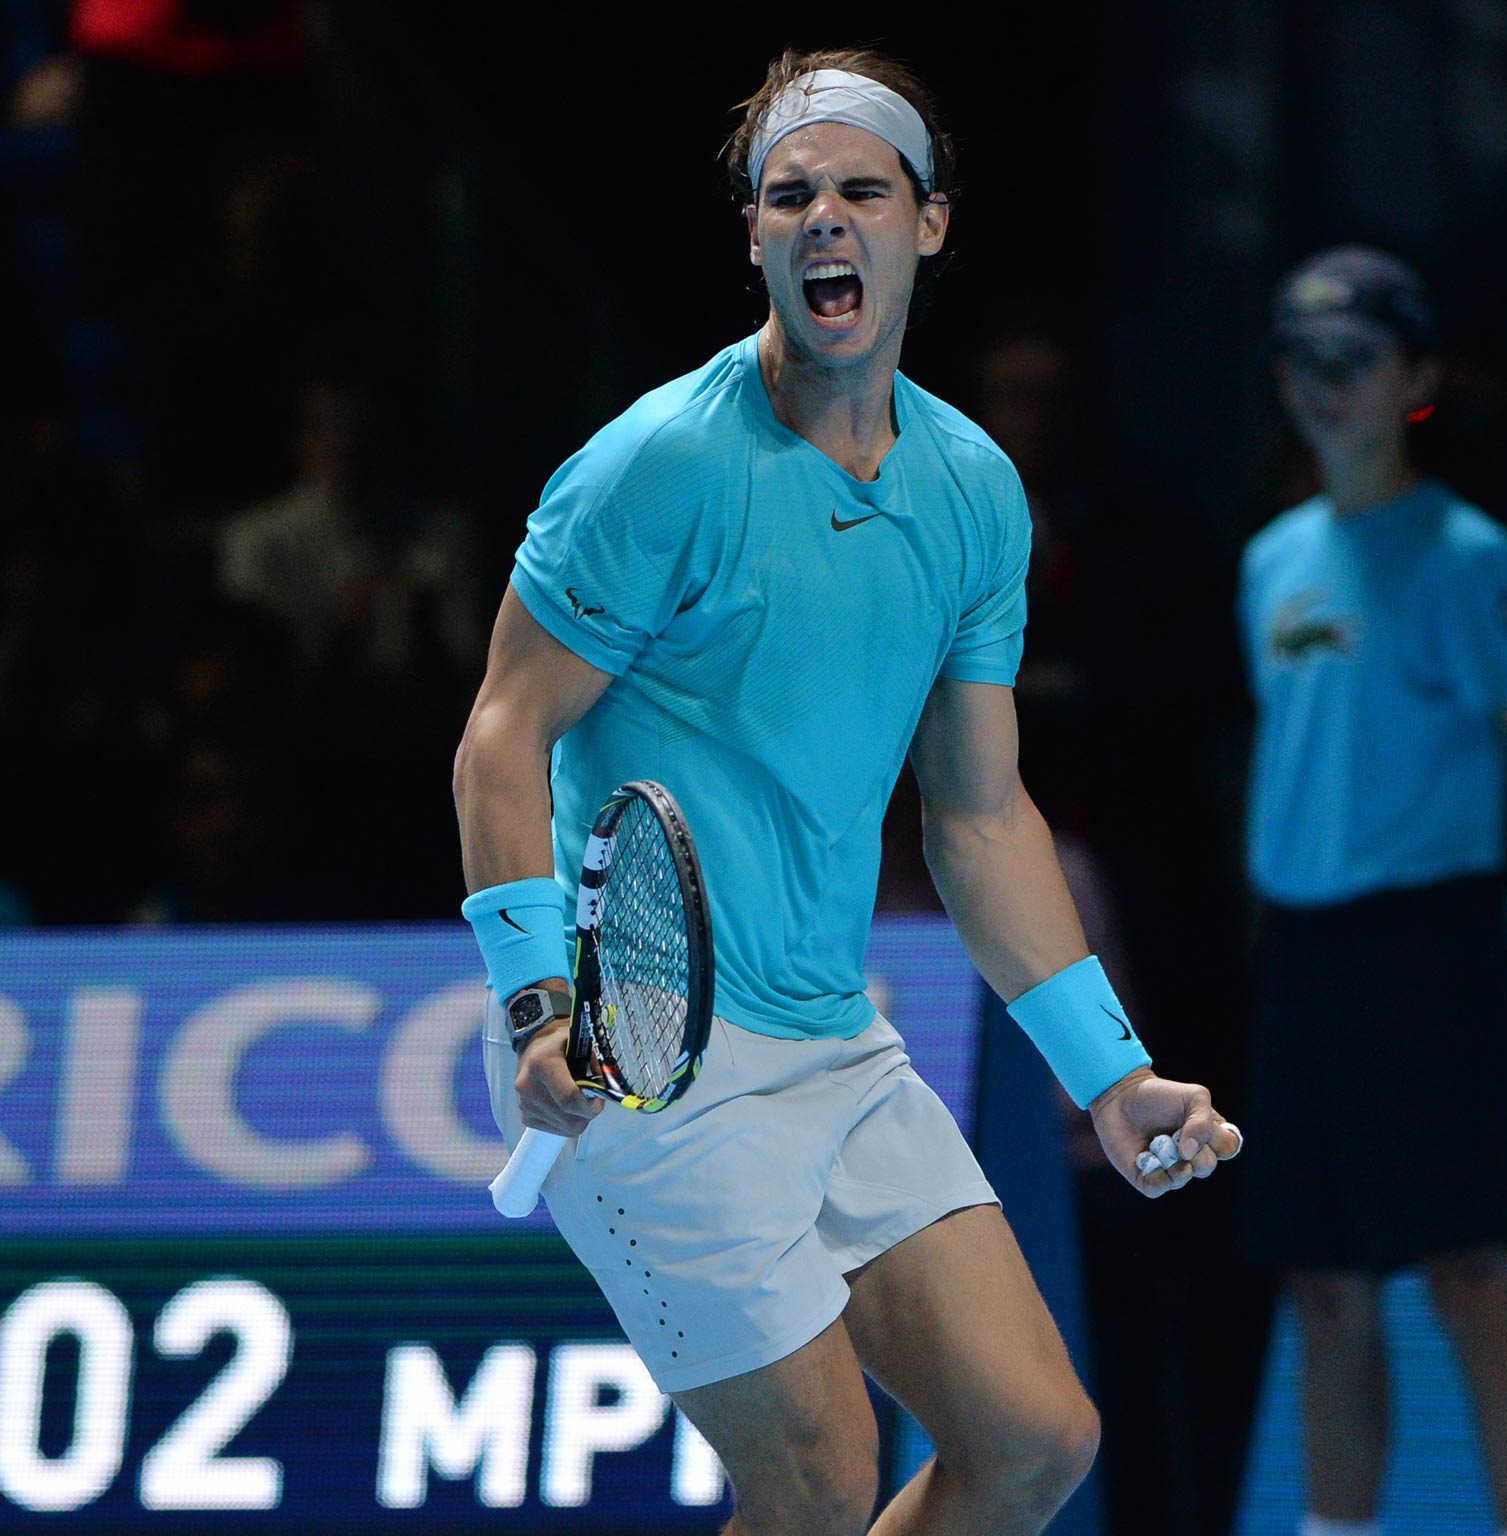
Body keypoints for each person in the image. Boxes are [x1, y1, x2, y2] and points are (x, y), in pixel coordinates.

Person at [452, 48, 1242, 1536]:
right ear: (754, 233)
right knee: (815, 1478)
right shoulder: (658, 466)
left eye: (861, 191)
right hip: (651, 1055)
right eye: (789, 194)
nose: (825, 219)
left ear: (927, 224)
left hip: (834, 1041)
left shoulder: (970, 491)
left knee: (1033, 1439)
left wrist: (1110, 1072)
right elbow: (502, 734)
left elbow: (980, 818)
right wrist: (535, 1004)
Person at [1237, 247, 1507, 1536]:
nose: (1325, 389)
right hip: (1306, 954)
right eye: (1302, 363)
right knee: (1322, 1282)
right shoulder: (1272, 559)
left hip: (1433, 945)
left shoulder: (1468, 557)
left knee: (1462, 1273)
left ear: (1419, 379)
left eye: (1356, 362)